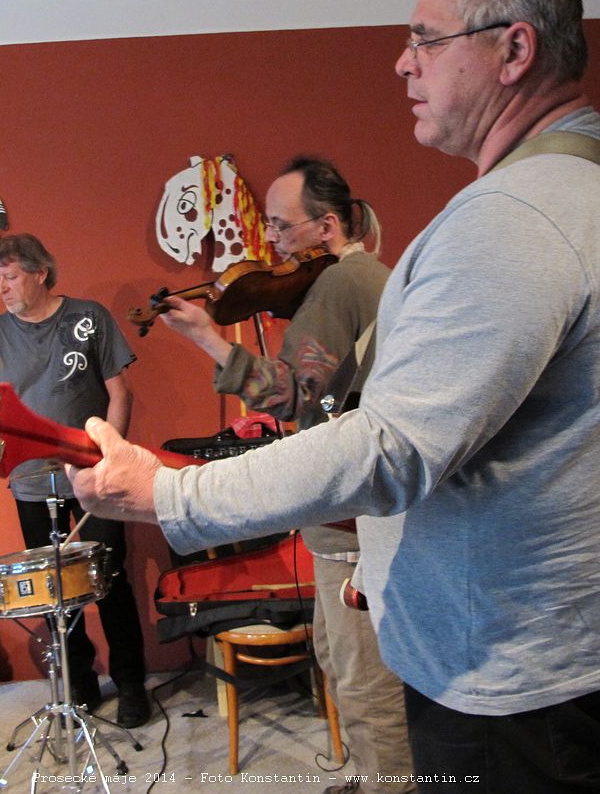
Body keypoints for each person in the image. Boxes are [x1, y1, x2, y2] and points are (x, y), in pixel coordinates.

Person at [69, 0, 600, 792]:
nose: (402, 62)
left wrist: (171, 493)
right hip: (563, 633)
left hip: (504, 663)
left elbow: (389, 447)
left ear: (514, 50)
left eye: (426, 38)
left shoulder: (517, 215)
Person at [157, 156, 414, 794]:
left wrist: (208, 339)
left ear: (327, 227)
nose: (270, 241)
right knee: (341, 657)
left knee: (364, 678)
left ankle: (389, 784)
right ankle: (370, 776)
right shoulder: (370, 275)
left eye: (281, 225)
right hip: (365, 512)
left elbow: (295, 397)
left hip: (352, 520)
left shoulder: (340, 285)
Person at [0, 232, 151, 728]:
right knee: (54, 589)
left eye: (9, 277)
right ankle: (80, 684)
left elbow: (121, 392)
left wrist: (112, 459)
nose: (2, 288)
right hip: (30, 482)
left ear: (40, 273)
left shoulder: (89, 317)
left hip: (94, 476)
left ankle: (132, 683)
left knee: (109, 580)